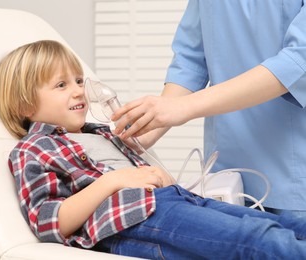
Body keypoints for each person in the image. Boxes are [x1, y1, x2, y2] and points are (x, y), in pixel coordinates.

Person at [0, 39, 306, 259]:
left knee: (273, 224)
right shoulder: (33, 150)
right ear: (25, 104)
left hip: (173, 201)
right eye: (61, 85)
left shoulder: (103, 133)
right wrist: (113, 181)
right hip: (134, 219)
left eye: (78, 80)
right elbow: (49, 221)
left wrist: (161, 178)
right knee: (255, 240)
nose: (78, 90)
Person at [111, 0, 306, 216]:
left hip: (294, 175)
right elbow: (191, 59)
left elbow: (298, 61)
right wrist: (150, 128)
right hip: (227, 172)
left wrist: (182, 107)